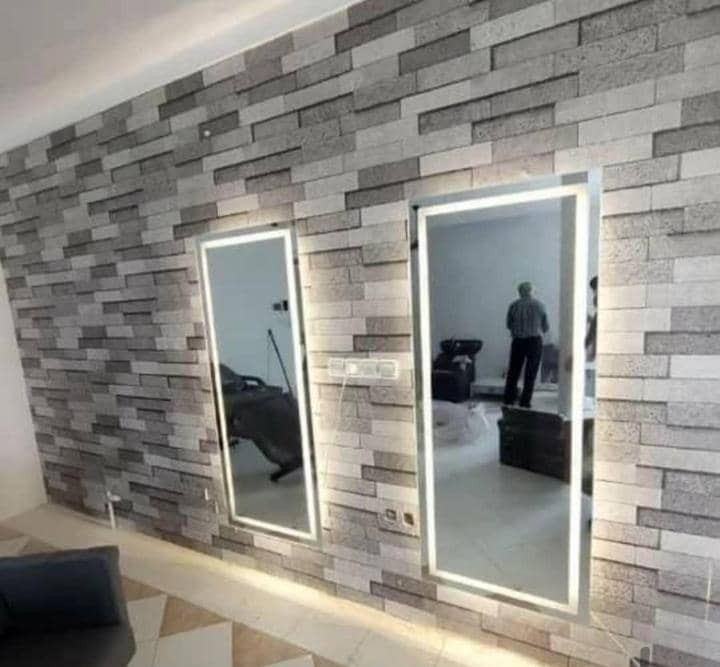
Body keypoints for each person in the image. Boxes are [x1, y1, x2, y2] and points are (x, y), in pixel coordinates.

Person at [503, 282, 549, 408]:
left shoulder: (513, 306)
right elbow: (545, 327)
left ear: (519, 292)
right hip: (534, 341)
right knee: (531, 372)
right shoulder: (540, 305)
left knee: (513, 371)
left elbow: (508, 325)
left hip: (518, 341)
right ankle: (525, 402)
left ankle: (509, 400)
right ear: (531, 291)